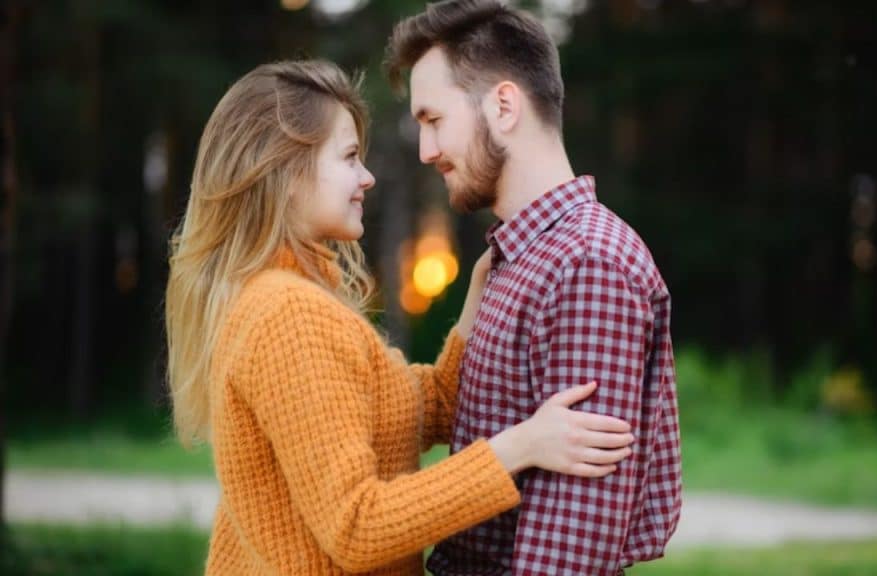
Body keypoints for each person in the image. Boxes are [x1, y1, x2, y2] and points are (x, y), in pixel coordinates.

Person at [164, 59, 636, 576]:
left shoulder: (288, 298)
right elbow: (357, 527)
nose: (366, 177)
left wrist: (474, 305)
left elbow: (418, 409)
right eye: (349, 158)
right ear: (286, 171)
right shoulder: (288, 315)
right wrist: (520, 448)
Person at [385, 1, 683, 574]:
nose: (426, 151)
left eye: (434, 120)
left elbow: (572, 545)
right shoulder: (517, 260)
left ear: (502, 105)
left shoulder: (586, 264)